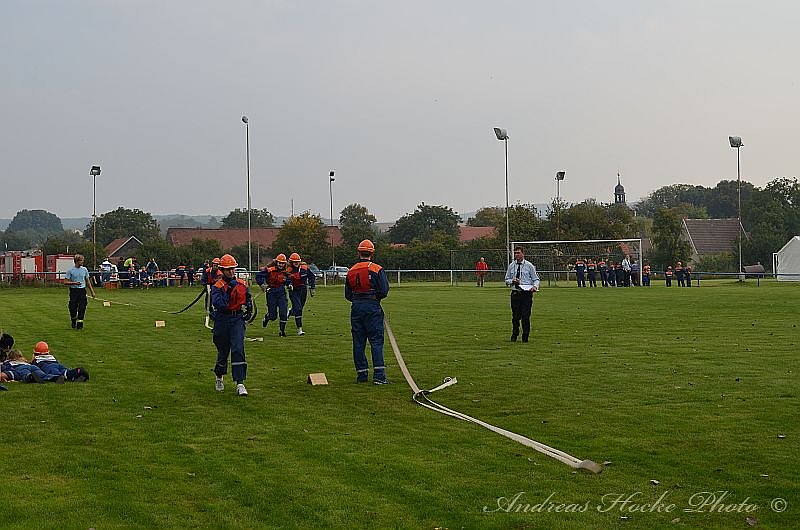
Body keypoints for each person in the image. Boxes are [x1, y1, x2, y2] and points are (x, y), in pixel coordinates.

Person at [345, 239, 390, 384]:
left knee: (358, 342)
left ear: (359, 252)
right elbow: (383, 290)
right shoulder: (377, 269)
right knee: (376, 341)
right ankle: (379, 376)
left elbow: (347, 294)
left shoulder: (351, 270)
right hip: (372, 306)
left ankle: (362, 375)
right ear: (372, 252)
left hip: (356, 307)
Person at [210, 254, 253, 397]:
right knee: (223, 351)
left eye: (233, 269)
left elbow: (247, 297)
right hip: (222, 320)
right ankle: (219, 376)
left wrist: (249, 307)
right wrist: (229, 290)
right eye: (228, 270)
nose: (231, 272)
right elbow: (219, 304)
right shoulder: (217, 286)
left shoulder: (241, 283)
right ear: (222, 270)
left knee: (238, 348)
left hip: (237, 320)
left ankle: (240, 383)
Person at [504, 246, 540, 343]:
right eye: (515, 253)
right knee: (515, 317)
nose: (516, 255)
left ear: (523, 254)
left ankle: (525, 337)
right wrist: (512, 280)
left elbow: (536, 279)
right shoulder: (512, 265)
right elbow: (506, 280)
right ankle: (514, 334)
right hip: (515, 294)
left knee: (525, 316)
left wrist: (535, 287)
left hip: (526, 294)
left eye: (518, 253)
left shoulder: (529, 266)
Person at [258, 254, 291, 337]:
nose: (281, 265)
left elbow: (288, 280)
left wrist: (289, 284)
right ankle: (267, 317)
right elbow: (258, 276)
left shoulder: (285, 272)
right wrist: (262, 285)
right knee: (273, 316)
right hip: (271, 293)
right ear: (276, 263)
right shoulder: (270, 270)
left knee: (283, 312)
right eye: (279, 263)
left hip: (281, 293)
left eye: (282, 263)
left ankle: (282, 331)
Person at [286, 253, 316, 336]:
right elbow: (286, 279)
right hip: (293, 290)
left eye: (297, 261)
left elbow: (312, 277)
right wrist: (289, 284)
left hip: (303, 289)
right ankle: (299, 329)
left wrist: (312, 287)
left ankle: (290, 311)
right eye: (294, 262)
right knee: (298, 308)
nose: (296, 263)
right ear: (291, 262)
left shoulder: (305, 268)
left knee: (299, 308)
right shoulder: (288, 270)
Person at [64, 254, 96, 330]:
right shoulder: (70, 271)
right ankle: (73, 319)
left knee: (82, 307)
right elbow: (65, 282)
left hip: (82, 290)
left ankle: (80, 324)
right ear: (76, 261)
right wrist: (74, 283)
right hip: (74, 291)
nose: (83, 262)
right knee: (72, 307)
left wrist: (92, 292)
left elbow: (88, 281)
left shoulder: (84, 269)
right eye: (81, 260)